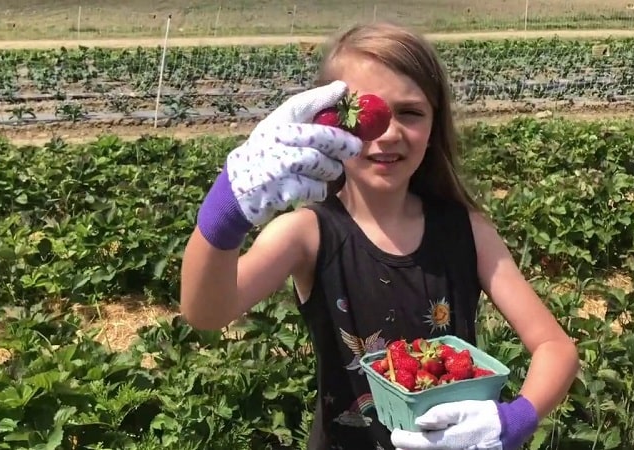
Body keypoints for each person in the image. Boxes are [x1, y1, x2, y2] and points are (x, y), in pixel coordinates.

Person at [180, 21, 579, 450]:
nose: (387, 133)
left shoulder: (467, 232)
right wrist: (226, 213)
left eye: (409, 112)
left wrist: (514, 419)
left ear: (434, 126)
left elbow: (556, 347)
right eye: (363, 113)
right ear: (325, 124)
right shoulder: (308, 234)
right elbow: (206, 312)